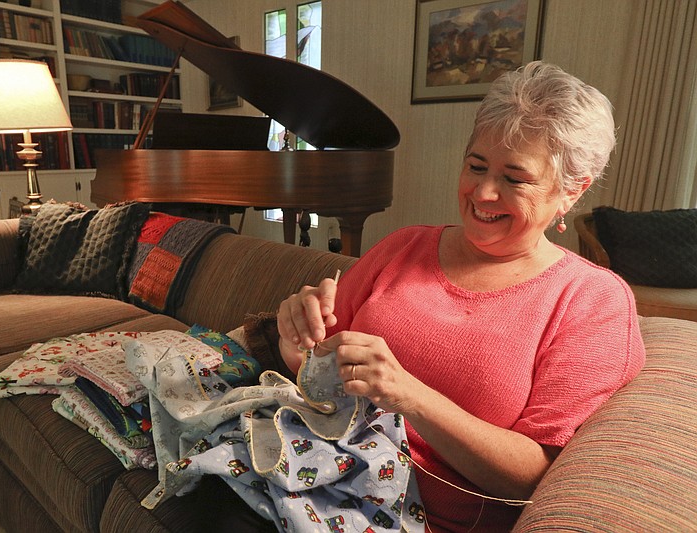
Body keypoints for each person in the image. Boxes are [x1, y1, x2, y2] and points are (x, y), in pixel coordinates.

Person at [277, 61, 646, 532]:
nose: (484, 192)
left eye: (515, 178)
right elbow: (312, 369)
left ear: (571, 192)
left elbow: (535, 477)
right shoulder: (403, 245)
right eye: (476, 166)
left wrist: (408, 394)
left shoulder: (592, 300)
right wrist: (297, 329)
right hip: (306, 471)